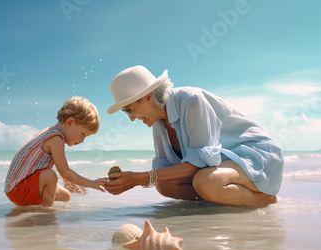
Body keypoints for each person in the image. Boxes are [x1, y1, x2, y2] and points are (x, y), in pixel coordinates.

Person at [105, 65, 284, 207]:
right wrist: (132, 181)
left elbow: (200, 163)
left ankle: (265, 200)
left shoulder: (191, 100)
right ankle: (219, 198)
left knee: (206, 181)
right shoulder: (158, 124)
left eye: (129, 111)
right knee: (165, 185)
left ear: (147, 97)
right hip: (222, 167)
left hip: (255, 157)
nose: (131, 119)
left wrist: (139, 178)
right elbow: (163, 173)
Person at [5, 96, 107, 207]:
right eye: (83, 134)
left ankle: (39, 210)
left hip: (16, 187)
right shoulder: (55, 139)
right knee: (50, 176)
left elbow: (57, 167)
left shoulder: (50, 132)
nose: (82, 141)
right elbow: (65, 171)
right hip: (17, 189)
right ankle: (47, 215)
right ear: (70, 122)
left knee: (66, 196)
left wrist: (70, 182)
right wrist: (91, 183)